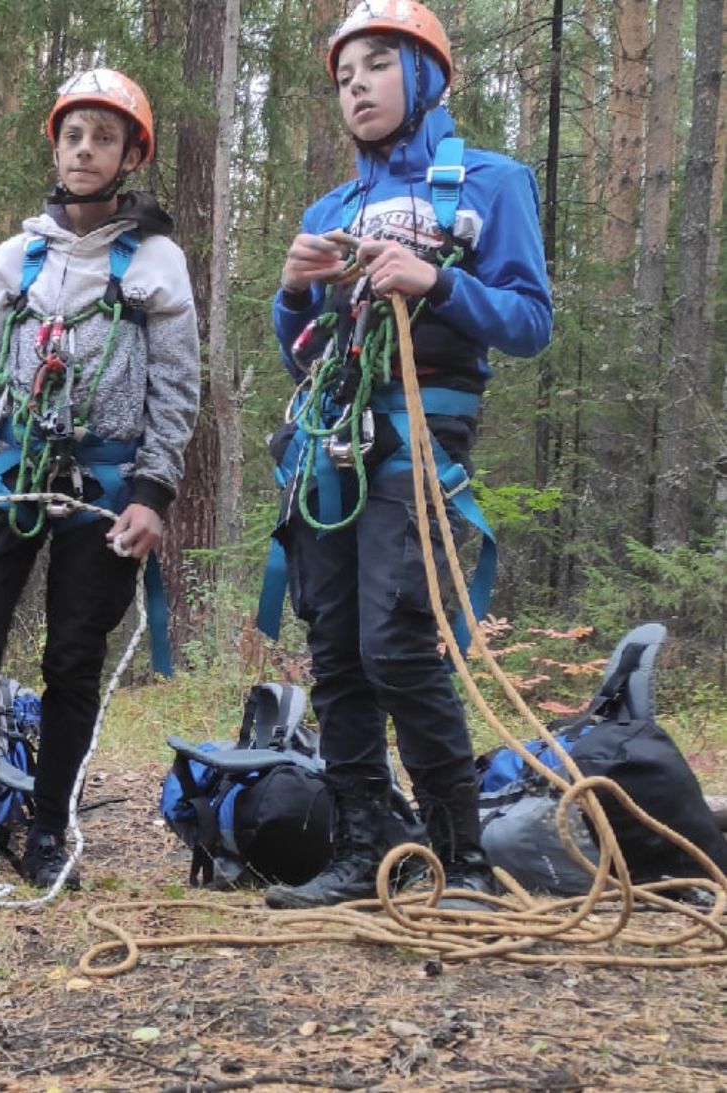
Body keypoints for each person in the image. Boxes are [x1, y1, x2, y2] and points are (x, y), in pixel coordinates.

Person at [259, 0, 552, 909]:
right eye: (345, 77)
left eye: (378, 66)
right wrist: (292, 292)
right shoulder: (331, 207)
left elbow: (530, 322)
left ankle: (463, 860)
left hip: (421, 436)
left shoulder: (490, 184)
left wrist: (436, 279)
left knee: (395, 641)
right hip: (328, 440)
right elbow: (300, 352)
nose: (357, 88)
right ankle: (362, 847)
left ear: (427, 75)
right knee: (337, 648)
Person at [0, 69, 200, 889]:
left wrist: (152, 492)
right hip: (3, 469)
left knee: (73, 658)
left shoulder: (157, 262)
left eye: (103, 137)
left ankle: (49, 828)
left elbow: (177, 388)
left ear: (131, 155)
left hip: (104, 482)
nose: (85, 149)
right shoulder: (16, 257)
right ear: (56, 147)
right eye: (73, 135)